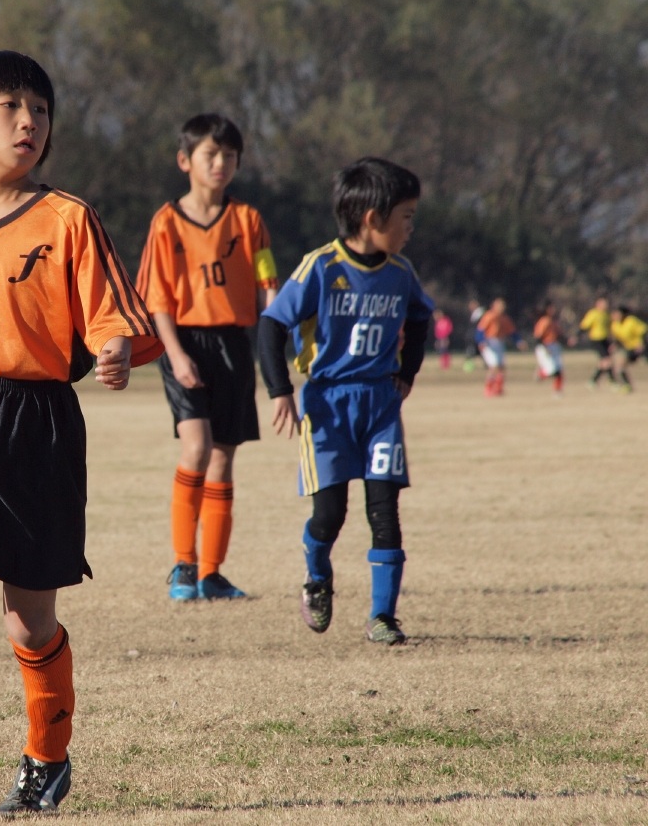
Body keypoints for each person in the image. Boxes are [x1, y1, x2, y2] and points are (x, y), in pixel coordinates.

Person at [0, 50, 162, 823]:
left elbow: (110, 316)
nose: (28, 121)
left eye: (40, 109)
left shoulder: (68, 218)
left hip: (36, 421)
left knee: (27, 617)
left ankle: (47, 756)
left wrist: (113, 350)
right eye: (9, 106)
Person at [257, 157, 434, 647]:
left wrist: (407, 373)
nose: (410, 228)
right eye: (406, 217)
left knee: (385, 510)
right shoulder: (321, 267)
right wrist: (280, 391)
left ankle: (383, 617)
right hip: (328, 406)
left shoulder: (401, 272)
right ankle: (317, 574)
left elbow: (421, 318)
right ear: (372, 218)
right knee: (330, 515)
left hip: (380, 406)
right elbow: (271, 325)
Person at [135, 113, 279, 602]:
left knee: (223, 456)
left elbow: (268, 284)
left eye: (230, 156)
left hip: (234, 344)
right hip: (185, 342)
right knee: (196, 446)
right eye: (210, 154)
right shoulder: (166, 222)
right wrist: (176, 355)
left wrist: (278, 330)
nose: (221, 163)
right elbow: (157, 299)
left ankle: (212, 573)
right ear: (185, 160)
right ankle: (183, 565)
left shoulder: (249, 220)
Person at [476, 298, 516, 397]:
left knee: (501, 367)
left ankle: (498, 388)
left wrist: (518, 341)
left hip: (500, 342)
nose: (502, 308)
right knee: (493, 367)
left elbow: (511, 331)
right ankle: (488, 388)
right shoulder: (489, 316)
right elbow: (480, 330)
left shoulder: (504, 318)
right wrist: (481, 342)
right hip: (489, 342)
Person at [579, 297, 615, 387]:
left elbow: (610, 328)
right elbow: (584, 326)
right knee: (606, 360)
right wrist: (577, 336)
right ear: (598, 304)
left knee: (605, 361)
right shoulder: (593, 313)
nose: (606, 305)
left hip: (605, 340)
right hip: (596, 340)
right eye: (603, 303)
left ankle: (593, 381)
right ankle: (612, 380)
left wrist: (611, 342)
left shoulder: (606, 315)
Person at [610, 305, 647, 393]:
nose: (615, 315)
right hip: (630, 348)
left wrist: (642, 343)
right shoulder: (614, 325)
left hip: (641, 347)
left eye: (617, 313)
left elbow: (644, 331)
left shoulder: (631, 321)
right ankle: (627, 385)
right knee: (619, 366)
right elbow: (618, 338)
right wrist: (614, 345)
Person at [532, 301, 564, 395]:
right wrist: (545, 348)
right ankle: (540, 374)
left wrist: (567, 341)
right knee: (552, 370)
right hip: (545, 346)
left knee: (559, 370)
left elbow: (559, 334)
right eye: (551, 308)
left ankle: (557, 391)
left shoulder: (553, 321)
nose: (553, 310)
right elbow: (538, 337)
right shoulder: (544, 321)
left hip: (554, 346)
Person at [461, 299, 484, 372]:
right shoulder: (473, 314)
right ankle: (469, 366)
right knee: (471, 351)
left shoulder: (481, 313)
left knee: (480, 351)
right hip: (471, 336)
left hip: (477, 336)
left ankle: (489, 365)